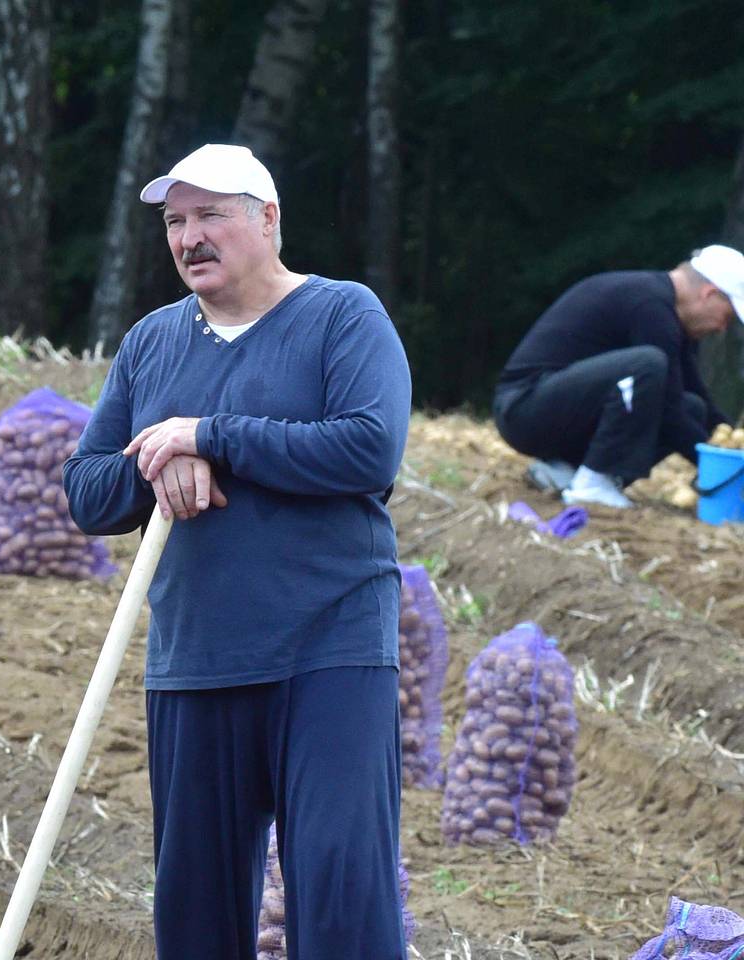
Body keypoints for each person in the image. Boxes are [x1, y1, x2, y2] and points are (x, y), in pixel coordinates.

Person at [62, 143, 411, 960]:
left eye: (211, 214)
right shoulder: (151, 342)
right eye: (175, 222)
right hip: (197, 655)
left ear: (268, 219)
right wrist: (161, 460)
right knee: (195, 907)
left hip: (330, 646)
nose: (190, 237)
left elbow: (368, 448)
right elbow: (87, 489)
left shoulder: (342, 315)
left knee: (340, 886)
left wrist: (211, 435)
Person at [493, 246, 744, 508]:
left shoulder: (667, 313)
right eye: (727, 317)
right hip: (524, 408)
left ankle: (566, 472)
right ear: (709, 294)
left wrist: (732, 448)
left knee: (694, 408)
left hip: (557, 410)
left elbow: (694, 396)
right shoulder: (649, 306)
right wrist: (717, 463)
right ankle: (592, 484)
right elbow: (669, 409)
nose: (721, 328)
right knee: (646, 364)